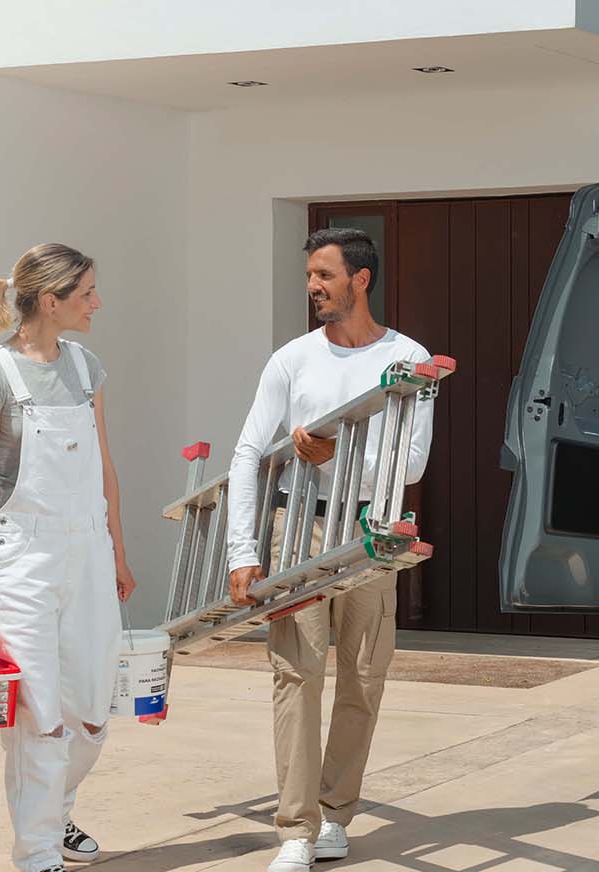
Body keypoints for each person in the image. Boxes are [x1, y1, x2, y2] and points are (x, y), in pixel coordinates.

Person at [226, 228, 433, 872]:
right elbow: (248, 452)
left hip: (372, 530)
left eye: (324, 275)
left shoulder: (409, 359)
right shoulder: (292, 359)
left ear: (360, 280)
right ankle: (296, 829)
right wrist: (241, 549)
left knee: (364, 676)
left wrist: (335, 456)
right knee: (296, 675)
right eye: (310, 276)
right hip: (299, 528)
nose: (312, 287)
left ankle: (336, 815)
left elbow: (413, 463)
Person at [0, 243, 137, 872]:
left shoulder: (88, 368)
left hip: (88, 551)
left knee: (90, 714)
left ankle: (55, 813)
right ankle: (36, 853)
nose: (97, 303)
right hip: (22, 560)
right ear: (50, 300)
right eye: (86, 293)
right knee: (38, 715)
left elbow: (105, 468)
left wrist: (117, 552)